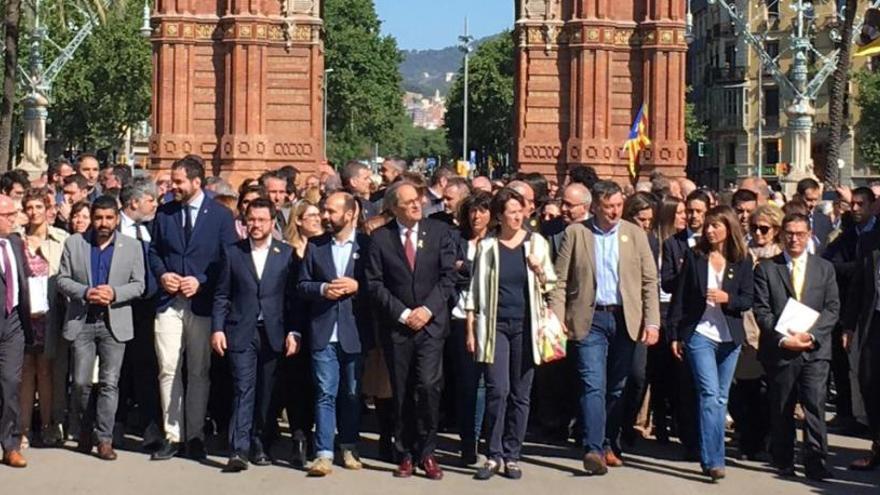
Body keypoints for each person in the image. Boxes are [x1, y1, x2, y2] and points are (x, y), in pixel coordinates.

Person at [547, 180, 660, 475]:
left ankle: (609, 441)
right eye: (608, 206)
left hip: (625, 319)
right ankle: (593, 448)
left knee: (619, 385)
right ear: (595, 206)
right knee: (592, 383)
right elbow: (559, 280)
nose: (614, 212)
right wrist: (557, 316)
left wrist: (652, 321)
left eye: (618, 206)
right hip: (590, 318)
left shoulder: (634, 234)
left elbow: (650, 281)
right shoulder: (576, 234)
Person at [148, 156, 238, 461]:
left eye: (179, 182)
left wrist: (201, 281)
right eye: (173, 181)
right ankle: (173, 435)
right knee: (168, 367)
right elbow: (154, 251)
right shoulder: (165, 212)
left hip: (201, 303)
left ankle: (196, 435)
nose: (174, 187)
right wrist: (163, 274)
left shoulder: (221, 216)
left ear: (196, 182)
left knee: (199, 370)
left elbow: (228, 260)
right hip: (169, 302)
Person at [365, 180, 455, 480]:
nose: (417, 205)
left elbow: (447, 278)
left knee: (428, 387)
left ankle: (427, 452)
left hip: (430, 326)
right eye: (408, 202)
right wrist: (403, 314)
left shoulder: (439, 232)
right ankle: (405, 452)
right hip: (398, 328)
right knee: (401, 390)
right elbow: (375, 284)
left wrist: (427, 311)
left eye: (418, 199)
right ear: (393, 208)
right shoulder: (380, 238)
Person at [465, 188, 556, 480]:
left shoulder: (536, 243)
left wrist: (539, 269)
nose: (518, 216)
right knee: (497, 390)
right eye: (511, 212)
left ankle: (512, 454)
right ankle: (493, 454)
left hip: (528, 327)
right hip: (495, 326)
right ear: (499, 216)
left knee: (520, 393)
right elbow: (475, 291)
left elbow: (551, 285)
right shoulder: (487, 246)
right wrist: (470, 328)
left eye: (521, 211)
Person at [210, 198, 297, 471]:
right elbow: (222, 294)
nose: (256, 225)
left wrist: (294, 332)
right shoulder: (232, 252)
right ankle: (239, 449)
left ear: (273, 223)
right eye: (252, 220)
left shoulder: (287, 254)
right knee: (243, 389)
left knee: (268, 392)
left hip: (274, 332)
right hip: (241, 330)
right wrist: (217, 329)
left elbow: (292, 298)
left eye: (262, 220)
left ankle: (261, 444)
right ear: (244, 221)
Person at [56, 196, 146, 461]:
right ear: (92, 218)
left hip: (113, 322)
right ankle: (84, 430)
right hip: (82, 320)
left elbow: (139, 284)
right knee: (82, 382)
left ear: (117, 218)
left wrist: (114, 293)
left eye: (109, 218)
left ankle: (104, 439)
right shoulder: (75, 243)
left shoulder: (131, 246)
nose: (103, 223)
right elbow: (62, 279)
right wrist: (86, 292)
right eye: (98, 218)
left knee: (109, 383)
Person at [667, 206, 753, 481]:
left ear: (729, 228)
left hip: (729, 336)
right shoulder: (695, 256)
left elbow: (747, 299)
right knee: (708, 394)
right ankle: (713, 459)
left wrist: (728, 298)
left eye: (716, 225)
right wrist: (675, 334)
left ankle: (714, 453)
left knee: (720, 398)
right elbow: (680, 298)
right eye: (708, 225)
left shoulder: (741, 260)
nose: (710, 230)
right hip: (700, 333)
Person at [754, 212, 840, 481]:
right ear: (782, 234)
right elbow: (762, 310)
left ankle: (816, 461)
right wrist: (782, 338)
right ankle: (783, 460)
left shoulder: (824, 268)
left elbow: (832, 308)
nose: (794, 239)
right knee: (782, 406)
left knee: (814, 406)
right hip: (781, 350)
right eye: (789, 233)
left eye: (800, 233)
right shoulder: (767, 268)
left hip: (815, 351)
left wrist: (812, 336)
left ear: (809, 234)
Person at [297, 191, 374, 476]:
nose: (325, 217)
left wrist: (358, 287)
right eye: (323, 211)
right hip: (323, 330)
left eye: (331, 211)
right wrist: (322, 289)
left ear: (350, 214)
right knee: (324, 393)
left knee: (352, 393)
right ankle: (324, 453)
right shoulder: (315, 246)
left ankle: (349, 446)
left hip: (354, 330)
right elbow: (302, 284)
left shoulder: (367, 246)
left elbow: (378, 285)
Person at [729, 204, 783, 461]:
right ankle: (750, 438)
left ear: (776, 230)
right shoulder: (743, 254)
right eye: (754, 229)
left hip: (773, 328)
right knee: (747, 388)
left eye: (764, 229)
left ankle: (771, 437)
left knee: (770, 389)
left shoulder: (781, 255)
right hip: (748, 326)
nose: (759, 234)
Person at [115, 180, 163, 449]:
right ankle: (116, 422)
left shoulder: (151, 228)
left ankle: (150, 426)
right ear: (134, 202)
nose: (154, 204)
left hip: (147, 307)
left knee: (146, 366)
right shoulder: (113, 225)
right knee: (118, 367)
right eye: (150, 199)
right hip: (118, 306)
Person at [18, 189, 68, 449]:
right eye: (29, 207)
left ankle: (49, 425)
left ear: (48, 209)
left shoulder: (60, 238)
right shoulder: (16, 240)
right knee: (26, 370)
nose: (34, 212)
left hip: (51, 312)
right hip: (24, 313)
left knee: (47, 370)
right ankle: (24, 428)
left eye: (39, 207)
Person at [278, 199, 323, 467]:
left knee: (318, 383)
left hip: (319, 322)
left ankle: (316, 435)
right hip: (292, 323)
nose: (318, 219)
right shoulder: (285, 252)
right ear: (298, 220)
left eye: (319, 215)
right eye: (312, 215)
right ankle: (298, 438)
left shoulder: (323, 248)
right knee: (296, 383)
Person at [449, 190, 491, 465]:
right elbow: (448, 271)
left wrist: (466, 268)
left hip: (491, 317)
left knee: (491, 383)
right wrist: (467, 269)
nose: (477, 216)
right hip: (460, 316)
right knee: (468, 383)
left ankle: (488, 436)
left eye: (483, 210)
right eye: (473, 210)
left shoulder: (498, 241)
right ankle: (469, 439)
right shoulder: (455, 239)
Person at [620, 192, 658, 445]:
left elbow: (650, 283)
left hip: (640, 319)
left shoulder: (651, 242)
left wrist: (652, 320)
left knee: (637, 376)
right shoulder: (618, 238)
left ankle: (626, 422)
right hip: (614, 315)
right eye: (640, 219)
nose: (645, 225)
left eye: (649, 220)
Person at [0, 194, 33, 468]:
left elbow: (23, 281)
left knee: (10, 383)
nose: (15, 219)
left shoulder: (15, 242)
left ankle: (10, 444)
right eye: (9, 215)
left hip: (13, 325)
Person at [794, 178, 833, 254]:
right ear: (798, 197)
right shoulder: (788, 218)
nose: (813, 204)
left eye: (816, 200)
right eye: (809, 200)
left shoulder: (825, 220)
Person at [260, 172, 290, 240]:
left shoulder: (289, 216)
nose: (277, 198)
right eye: (273, 192)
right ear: (263, 192)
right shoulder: (256, 220)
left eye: (281, 192)